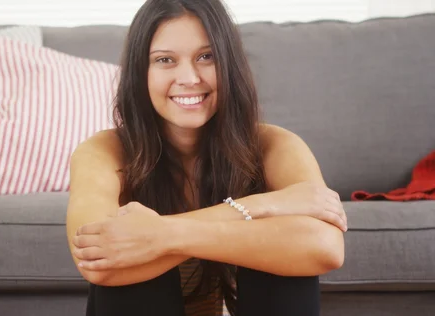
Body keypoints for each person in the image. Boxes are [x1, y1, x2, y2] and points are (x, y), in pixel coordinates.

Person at [66, 0, 347, 315]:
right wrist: (262, 206)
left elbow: (326, 248)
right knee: (130, 262)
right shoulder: (103, 150)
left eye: (206, 56)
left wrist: (161, 235)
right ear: (140, 72)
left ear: (229, 64)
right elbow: (97, 260)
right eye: (165, 60)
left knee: (284, 259)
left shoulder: (275, 145)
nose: (189, 77)